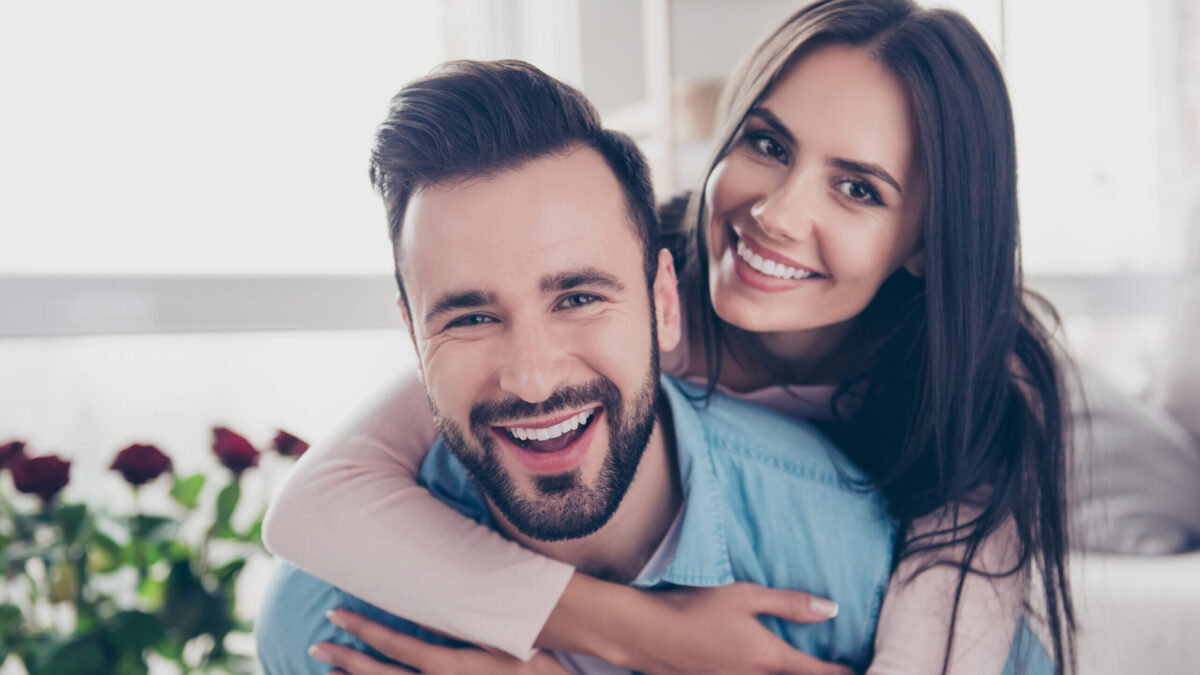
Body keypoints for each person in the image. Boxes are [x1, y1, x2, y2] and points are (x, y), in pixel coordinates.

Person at [262, 1, 1075, 672]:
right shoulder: (614, 293)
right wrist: (634, 631)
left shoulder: (981, 389)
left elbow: (941, 647)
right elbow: (316, 504)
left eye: (857, 187)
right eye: (767, 144)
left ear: (931, 240)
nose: (779, 214)